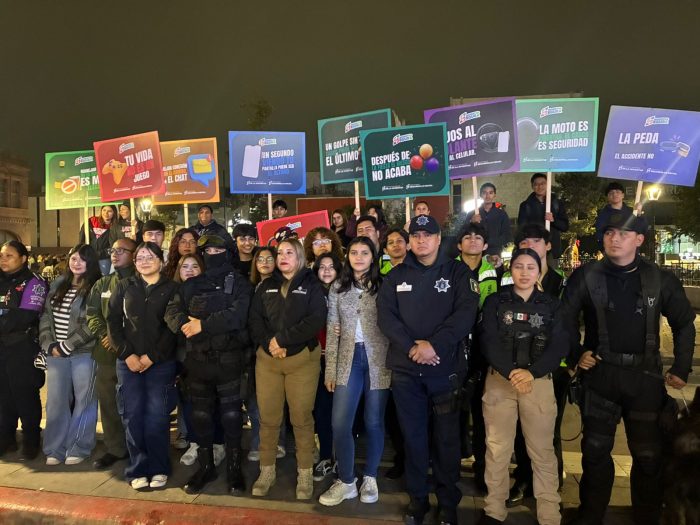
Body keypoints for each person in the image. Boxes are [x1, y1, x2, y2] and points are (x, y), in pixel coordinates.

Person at [561, 207, 695, 525]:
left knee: (648, 457)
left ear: (639, 240)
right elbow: (563, 319)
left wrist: (681, 367)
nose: (614, 238)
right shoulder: (586, 276)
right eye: (609, 232)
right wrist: (577, 352)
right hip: (600, 376)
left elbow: (684, 324)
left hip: (644, 380)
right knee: (595, 452)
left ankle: (646, 518)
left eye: (623, 233)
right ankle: (590, 517)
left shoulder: (659, 279)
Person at [378, 215, 479, 525]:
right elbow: (386, 317)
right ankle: (418, 500)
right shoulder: (395, 276)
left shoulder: (458, 272)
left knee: (446, 441)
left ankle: (448, 503)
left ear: (438, 239)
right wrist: (413, 347)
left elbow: (465, 315)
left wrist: (434, 346)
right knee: (414, 439)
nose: (421, 240)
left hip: (444, 371)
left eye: (427, 234)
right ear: (410, 241)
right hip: (407, 373)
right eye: (416, 235)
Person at [477, 248, 567, 525]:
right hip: (499, 382)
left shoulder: (552, 305)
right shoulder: (495, 301)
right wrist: (511, 372)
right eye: (518, 266)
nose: (524, 272)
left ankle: (549, 514)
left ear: (539, 271)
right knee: (497, 449)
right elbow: (488, 339)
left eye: (531, 267)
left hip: (537, 383)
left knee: (542, 451)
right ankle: (494, 510)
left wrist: (532, 373)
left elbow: (560, 343)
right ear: (510, 269)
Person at [165, 234, 252, 495]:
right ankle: (206, 467)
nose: (212, 254)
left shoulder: (239, 282)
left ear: (227, 252)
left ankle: (234, 469)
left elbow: (239, 315)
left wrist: (203, 324)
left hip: (229, 360)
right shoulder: (192, 284)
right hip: (198, 361)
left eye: (217, 250)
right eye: (208, 251)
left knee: (232, 417)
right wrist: (186, 326)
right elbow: (172, 312)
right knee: (200, 417)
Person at [248, 238, 327, 500]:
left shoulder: (312, 284)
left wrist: (282, 340)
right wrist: (270, 344)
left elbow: (315, 319)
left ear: (300, 256)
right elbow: (254, 320)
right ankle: (266, 470)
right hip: (268, 361)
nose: (282, 257)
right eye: (279, 253)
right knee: (268, 419)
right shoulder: (265, 285)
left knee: (301, 418)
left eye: (289, 252)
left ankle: (305, 473)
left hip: (302, 360)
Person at [319, 237, 390, 506]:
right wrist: (330, 370)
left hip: (379, 360)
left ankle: (370, 476)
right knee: (340, 423)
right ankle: (347, 481)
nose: (359, 257)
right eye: (354, 252)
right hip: (348, 360)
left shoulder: (384, 286)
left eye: (365, 252)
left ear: (373, 257)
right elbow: (332, 331)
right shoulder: (338, 287)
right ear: (347, 257)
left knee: (374, 421)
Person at [504, 224, 570, 507]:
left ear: (548, 245)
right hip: (516, 368)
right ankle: (523, 479)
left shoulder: (561, 282)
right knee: (521, 428)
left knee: (548, 431)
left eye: (535, 240)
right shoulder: (509, 281)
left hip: (551, 369)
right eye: (523, 242)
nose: (529, 245)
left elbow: (567, 325)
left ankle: (550, 487)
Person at [107, 242, 179, 491]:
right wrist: (126, 354)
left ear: (161, 260)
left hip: (160, 364)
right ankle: (137, 468)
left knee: (157, 416)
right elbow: (113, 321)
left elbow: (172, 328)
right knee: (132, 415)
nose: (144, 261)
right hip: (128, 363)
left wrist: (152, 357)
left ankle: (159, 467)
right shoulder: (125, 286)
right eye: (140, 258)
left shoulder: (172, 289)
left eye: (150, 257)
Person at [39, 244, 101, 466]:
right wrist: (48, 343)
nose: (76, 263)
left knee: (85, 401)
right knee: (56, 402)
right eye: (74, 258)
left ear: (91, 262)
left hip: (84, 352)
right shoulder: (58, 283)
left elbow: (94, 321)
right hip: (56, 353)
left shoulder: (96, 286)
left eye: (82, 259)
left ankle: (79, 446)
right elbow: (46, 315)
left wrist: (68, 345)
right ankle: (55, 448)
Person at [455, 222, 499, 489]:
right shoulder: (448, 270)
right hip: (453, 349)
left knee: (483, 414)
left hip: (483, 351)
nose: (472, 240)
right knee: (452, 411)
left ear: (485, 245)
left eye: (478, 237)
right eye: (467, 237)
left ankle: (483, 470)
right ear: (459, 244)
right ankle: (452, 465)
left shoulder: (495, 272)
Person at [86, 238, 137, 470]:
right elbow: (92, 313)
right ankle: (116, 448)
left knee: (134, 405)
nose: (115, 254)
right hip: (106, 354)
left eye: (121, 250)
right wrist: (103, 335)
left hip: (133, 354)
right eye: (113, 250)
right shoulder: (103, 283)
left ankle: (137, 448)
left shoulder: (141, 281)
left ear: (134, 254)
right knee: (108, 404)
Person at [0, 241, 48, 460]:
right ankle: (6, 438)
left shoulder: (34, 282)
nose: (3, 259)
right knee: (4, 394)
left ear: (23, 258)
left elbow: (24, 316)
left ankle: (31, 439)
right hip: (2, 346)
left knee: (25, 393)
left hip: (22, 345)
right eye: (1, 255)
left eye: (9, 255)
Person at [246, 246, 288, 463]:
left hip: (273, 348)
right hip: (250, 351)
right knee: (254, 401)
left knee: (275, 400)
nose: (264, 262)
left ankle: (278, 442)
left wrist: (271, 344)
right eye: (260, 259)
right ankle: (257, 442)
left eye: (269, 258)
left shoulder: (283, 285)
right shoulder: (249, 286)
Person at [171, 253, 206, 468]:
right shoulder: (173, 292)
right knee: (188, 402)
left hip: (206, 355)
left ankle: (211, 444)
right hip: (180, 357)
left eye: (195, 266)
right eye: (185, 266)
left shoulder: (209, 291)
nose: (190, 270)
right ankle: (194, 442)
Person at [311, 253, 342, 483]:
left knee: (342, 413)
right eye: (322, 267)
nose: (327, 270)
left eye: (332, 266)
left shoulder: (346, 291)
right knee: (321, 410)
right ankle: (324, 457)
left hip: (343, 359)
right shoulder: (311, 293)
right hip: (317, 358)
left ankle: (341, 457)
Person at [517, 173, 569, 261]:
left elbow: (565, 227)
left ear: (548, 185)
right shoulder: (526, 205)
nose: (540, 186)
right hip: (533, 250)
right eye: (536, 184)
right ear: (532, 186)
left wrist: (553, 220)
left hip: (552, 250)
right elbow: (522, 229)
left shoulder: (556, 203)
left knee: (551, 269)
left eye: (542, 183)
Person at [466, 182, 513, 262]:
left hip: (495, 254)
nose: (487, 196)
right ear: (480, 195)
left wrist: (487, 242)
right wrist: (471, 222)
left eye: (491, 193)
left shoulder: (501, 214)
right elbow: (463, 234)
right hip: (475, 253)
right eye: (484, 193)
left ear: (494, 195)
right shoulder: (472, 214)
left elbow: (507, 236)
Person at [593, 181, 645, 248]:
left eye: (617, 192)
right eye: (611, 193)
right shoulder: (603, 214)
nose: (614, 194)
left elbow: (642, 229)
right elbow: (600, 235)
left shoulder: (632, 212)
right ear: (608, 196)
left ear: (623, 195)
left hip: (630, 249)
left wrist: (639, 214)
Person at [79, 205, 120, 276]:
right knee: (88, 277)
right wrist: (83, 252)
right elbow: (82, 238)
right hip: (88, 256)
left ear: (114, 213)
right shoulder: (91, 221)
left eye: (109, 211)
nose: (106, 213)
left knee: (102, 277)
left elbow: (113, 246)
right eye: (104, 210)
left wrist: (98, 254)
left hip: (104, 258)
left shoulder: (115, 227)